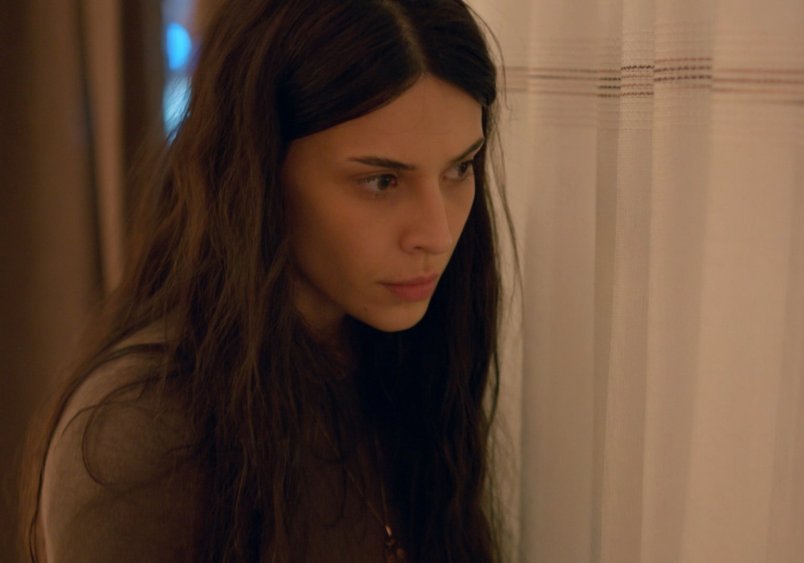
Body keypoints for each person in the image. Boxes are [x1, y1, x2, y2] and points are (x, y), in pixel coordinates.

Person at [20, 0, 513, 560]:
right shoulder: (143, 434)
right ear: (257, 171)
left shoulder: (401, 361)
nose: (438, 233)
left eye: (459, 169)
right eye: (381, 181)